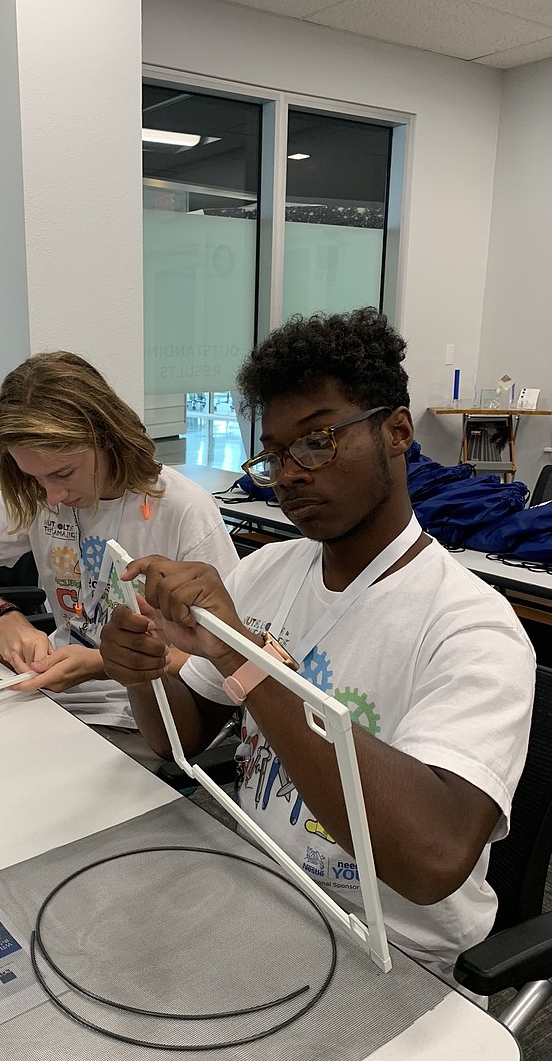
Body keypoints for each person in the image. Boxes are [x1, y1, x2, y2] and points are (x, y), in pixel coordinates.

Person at [98, 307, 535, 984]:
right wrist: (143, 668)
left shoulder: (473, 625)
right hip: (262, 899)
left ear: (396, 432)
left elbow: (431, 858)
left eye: (319, 440)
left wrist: (245, 656)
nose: (291, 472)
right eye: (274, 452)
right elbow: (179, 735)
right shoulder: (268, 570)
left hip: (396, 960)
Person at [0, 350, 238, 764]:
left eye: (62, 474)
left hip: (142, 721)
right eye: (35, 478)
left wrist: (102, 664)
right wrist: (5, 618)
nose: (52, 496)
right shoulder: (36, 492)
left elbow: (231, 664)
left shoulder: (185, 511)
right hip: (50, 696)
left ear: (106, 436)